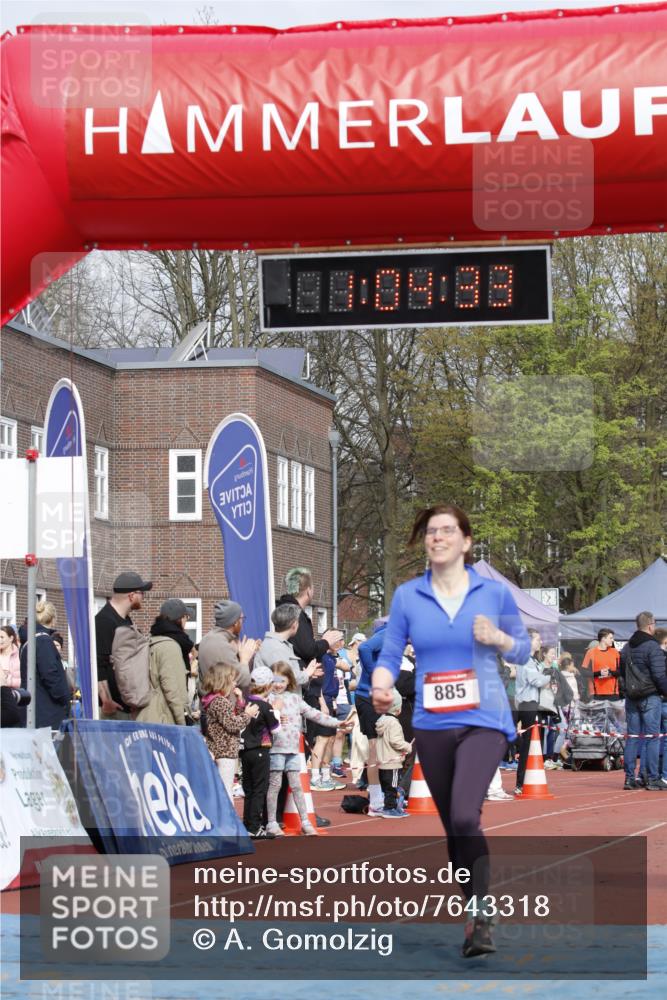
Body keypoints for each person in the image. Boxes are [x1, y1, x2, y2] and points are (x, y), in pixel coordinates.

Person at [371, 503, 530, 959]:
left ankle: (483, 912)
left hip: (484, 718)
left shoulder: (492, 594)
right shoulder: (407, 596)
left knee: (465, 816)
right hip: (433, 722)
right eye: (431, 532)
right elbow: (390, 652)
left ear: (466, 541)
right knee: (453, 829)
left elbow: (521, 651)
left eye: (447, 531)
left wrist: (499, 639)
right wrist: (381, 685)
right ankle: (474, 919)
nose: (437, 537)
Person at [266, 661, 346, 836]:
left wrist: (338, 723)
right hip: (275, 750)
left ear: (289, 681)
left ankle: (304, 821)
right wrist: (274, 715)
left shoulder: (295, 699)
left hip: (293, 750)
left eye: (282, 680)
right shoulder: (267, 698)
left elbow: (315, 714)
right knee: (275, 786)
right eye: (274, 680)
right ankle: (271, 822)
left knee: (296, 786)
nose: (278, 684)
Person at [95, 571, 153, 720]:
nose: (143, 597)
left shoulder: (126, 621)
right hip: (113, 710)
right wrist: (106, 700)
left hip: (128, 708)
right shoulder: (104, 621)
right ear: (132, 595)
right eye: (142, 593)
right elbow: (98, 664)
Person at [619, 611, 667, 791]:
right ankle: (652, 777)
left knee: (632, 738)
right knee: (652, 738)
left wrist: (626, 692)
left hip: (632, 698)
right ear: (650, 625)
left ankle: (629, 778)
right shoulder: (652, 647)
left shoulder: (626, 647)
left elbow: (621, 673)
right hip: (650, 696)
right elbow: (659, 675)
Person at [201, 663, 258, 802]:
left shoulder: (216, 700)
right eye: (232, 680)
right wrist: (248, 714)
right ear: (224, 681)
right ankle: (229, 821)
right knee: (226, 790)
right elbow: (233, 724)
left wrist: (239, 702)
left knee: (221, 787)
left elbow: (230, 719)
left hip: (219, 749)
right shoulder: (220, 701)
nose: (235, 683)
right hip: (225, 750)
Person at [239, 665, 281, 838]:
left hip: (245, 750)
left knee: (248, 788)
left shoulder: (245, 702)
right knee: (259, 789)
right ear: (268, 685)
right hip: (260, 750)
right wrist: (277, 711)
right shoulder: (265, 706)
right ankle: (255, 826)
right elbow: (276, 728)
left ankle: (247, 823)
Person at [135, 599, 191, 726]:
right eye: (186, 617)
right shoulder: (170, 647)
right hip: (165, 718)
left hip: (149, 715)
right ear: (180, 619)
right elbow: (173, 689)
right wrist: (183, 723)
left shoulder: (152, 640)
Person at [20, 601, 71, 730]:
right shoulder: (43, 641)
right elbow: (50, 675)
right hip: (47, 711)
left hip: (34, 707)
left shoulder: (28, 641)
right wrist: (64, 698)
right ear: (53, 619)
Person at [253, 603, 321, 695]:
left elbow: (277, 676)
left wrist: (306, 675)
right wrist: (306, 674)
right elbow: (281, 677)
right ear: (294, 624)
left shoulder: (278, 645)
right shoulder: (276, 647)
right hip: (280, 706)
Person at [514, 629, 552, 793]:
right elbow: (535, 680)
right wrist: (549, 678)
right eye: (537, 640)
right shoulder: (526, 661)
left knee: (526, 744)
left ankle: (520, 782)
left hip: (526, 703)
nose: (540, 643)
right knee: (526, 745)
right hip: (527, 704)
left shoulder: (531, 660)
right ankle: (520, 783)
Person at [198, 600, 257, 692]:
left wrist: (239, 654)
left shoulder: (209, 638)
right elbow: (242, 680)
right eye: (242, 618)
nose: (242, 622)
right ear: (235, 622)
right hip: (221, 704)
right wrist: (245, 658)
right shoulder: (220, 645)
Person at [375, 689, 412, 817]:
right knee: (393, 787)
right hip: (393, 763)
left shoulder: (382, 720)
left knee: (386, 787)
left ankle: (388, 806)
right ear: (398, 709)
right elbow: (396, 741)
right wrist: (407, 747)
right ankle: (389, 808)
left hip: (382, 762)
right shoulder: (394, 723)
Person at [580, 629, 621, 700]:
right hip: (595, 693)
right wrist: (599, 673)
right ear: (603, 639)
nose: (613, 640)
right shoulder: (591, 652)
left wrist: (610, 672)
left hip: (613, 693)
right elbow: (583, 672)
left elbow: (621, 670)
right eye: (610, 638)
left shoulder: (615, 652)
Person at [0, 625, 21, 689]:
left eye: (2, 637)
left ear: (11, 638)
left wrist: (6, 680)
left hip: (14, 694)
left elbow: (24, 679)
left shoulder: (19, 656)